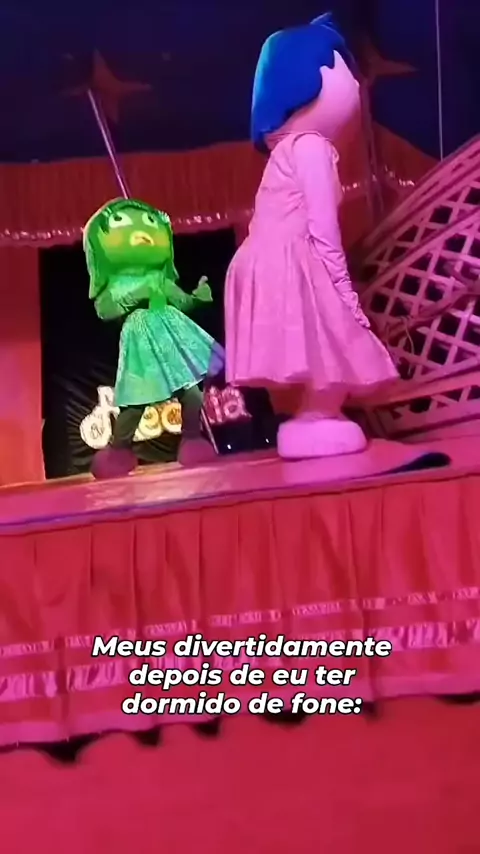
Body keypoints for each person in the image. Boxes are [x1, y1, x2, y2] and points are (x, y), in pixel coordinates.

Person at [224, 14, 398, 460]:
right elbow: (322, 224)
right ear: (306, 81)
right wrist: (341, 285)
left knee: (325, 348)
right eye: (343, 70)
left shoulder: (292, 150)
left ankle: (315, 415)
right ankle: (318, 416)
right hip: (291, 259)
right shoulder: (310, 148)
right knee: (336, 340)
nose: (355, 85)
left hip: (274, 256)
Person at [83, 198, 222, 478]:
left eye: (149, 222)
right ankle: (119, 449)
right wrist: (136, 294)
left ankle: (192, 438)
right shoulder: (116, 282)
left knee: (192, 391)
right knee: (137, 398)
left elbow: (180, 301)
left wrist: (196, 298)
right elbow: (105, 310)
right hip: (141, 339)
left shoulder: (160, 279)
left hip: (172, 333)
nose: (141, 232)